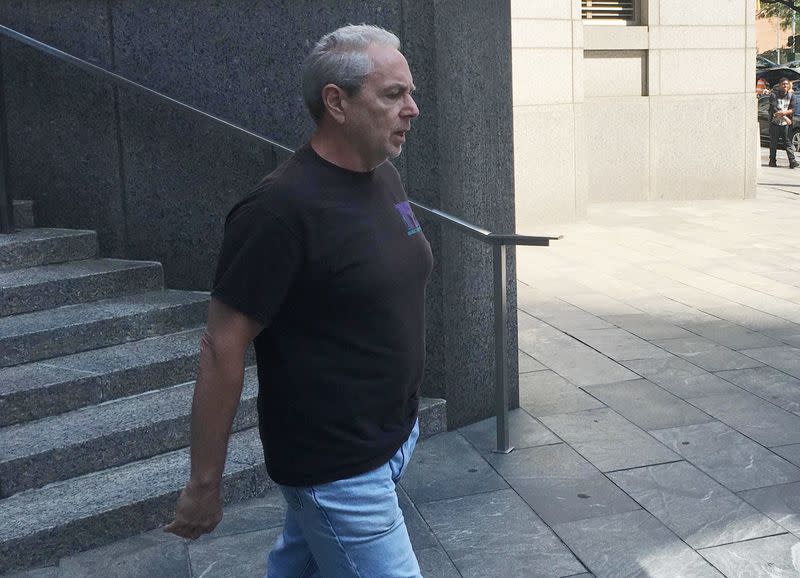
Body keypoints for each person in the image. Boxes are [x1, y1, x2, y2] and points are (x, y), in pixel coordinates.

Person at [164, 24, 430, 578]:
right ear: (336, 101)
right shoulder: (277, 211)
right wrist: (204, 485)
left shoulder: (385, 179)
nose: (412, 109)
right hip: (338, 467)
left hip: (395, 436)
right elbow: (221, 347)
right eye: (392, 94)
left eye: (410, 92)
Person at [768, 77, 799, 168]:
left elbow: (793, 109)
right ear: (779, 85)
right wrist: (785, 117)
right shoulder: (773, 95)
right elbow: (774, 109)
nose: (785, 85)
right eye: (783, 84)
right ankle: (772, 161)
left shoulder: (791, 96)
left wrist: (784, 113)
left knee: (788, 143)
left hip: (786, 125)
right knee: (773, 143)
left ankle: (792, 161)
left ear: (788, 85)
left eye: (786, 84)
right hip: (775, 123)